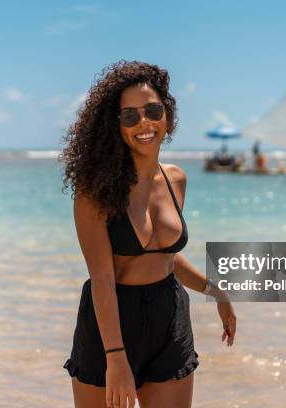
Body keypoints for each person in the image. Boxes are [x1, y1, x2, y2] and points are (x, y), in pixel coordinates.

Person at [60, 60, 237, 408]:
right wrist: (115, 357)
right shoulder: (95, 190)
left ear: (166, 116)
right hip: (110, 322)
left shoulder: (176, 179)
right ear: (116, 126)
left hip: (168, 316)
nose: (144, 123)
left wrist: (217, 292)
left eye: (153, 111)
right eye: (130, 116)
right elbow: (102, 277)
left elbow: (165, 257)